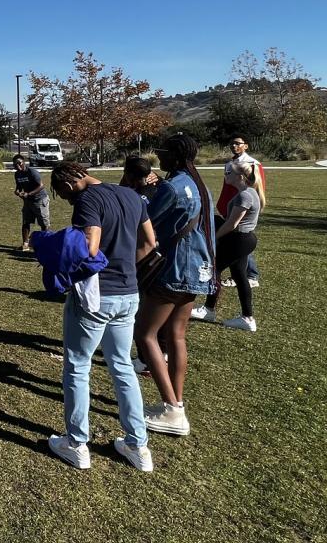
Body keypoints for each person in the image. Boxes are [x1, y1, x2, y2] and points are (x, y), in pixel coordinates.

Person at [45, 162, 158, 472]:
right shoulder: (131, 195)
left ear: (67, 185)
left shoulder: (87, 201)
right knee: (122, 365)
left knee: (78, 366)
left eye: (62, 195)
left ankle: (76, 443)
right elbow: (150, 242)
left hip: (97, 298)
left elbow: (90, 247)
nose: (66, 200)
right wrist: (124, 269)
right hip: (129, 294)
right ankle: (138, 445)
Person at [135, 135, 216, 437]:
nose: (158, 156)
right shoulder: (200, 184)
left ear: (174, 155)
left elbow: (146, 220)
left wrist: (144, 194)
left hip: (174, 269)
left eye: (161, 152)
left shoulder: (171, 187)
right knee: (176, 336)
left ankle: (172, 409)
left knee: (145, 335)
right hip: (198, 269)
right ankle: (176, 403)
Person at [196, 162, 261, 331]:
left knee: (215, 269)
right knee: (239, 275)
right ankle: (247, 319)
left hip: (239, 239)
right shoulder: (249, 192)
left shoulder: (245, 196)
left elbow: (232, 224)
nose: (226, 175)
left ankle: (209, 310)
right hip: (243, 239)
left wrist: (214, 238)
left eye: (229, 172)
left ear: (240, 176)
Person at [214, 136, 265, 288]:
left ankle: (251, 274)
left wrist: (252, 207)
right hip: (232, 206)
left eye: (238, 143)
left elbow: (257, 185)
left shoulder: (253, 164)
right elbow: (227, 186)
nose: (234, 146)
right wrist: (224, 204)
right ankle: (240, 275)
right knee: (234, 243)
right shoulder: (230, 163)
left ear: (246, 146)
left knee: (240, 241)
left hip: (242, 208)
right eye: (232, 143)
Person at [13, 154, 50, 252]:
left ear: (23, 162)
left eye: (19, 163)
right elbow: (19, 186)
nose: (17, 166)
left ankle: (45, 245)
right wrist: (17, 191)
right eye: (15, 164)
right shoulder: (17, 174)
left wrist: (29, 194)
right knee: (26, 222)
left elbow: (41, 186)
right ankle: (25, 245)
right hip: (28, 201)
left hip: (40, 200)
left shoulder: (32, 172)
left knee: (43, 223)